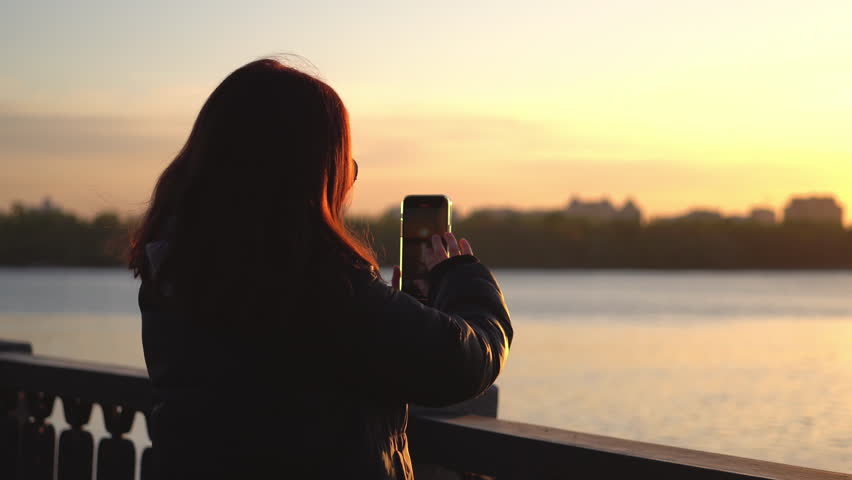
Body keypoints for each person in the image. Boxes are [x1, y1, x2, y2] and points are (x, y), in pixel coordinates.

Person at [128, 58, 512, 480]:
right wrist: (460, 275)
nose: (348, 179)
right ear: (307, 174)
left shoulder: (175, 271)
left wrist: (392, 309)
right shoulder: (323, 290)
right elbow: (464, 363)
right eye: (344, 164)